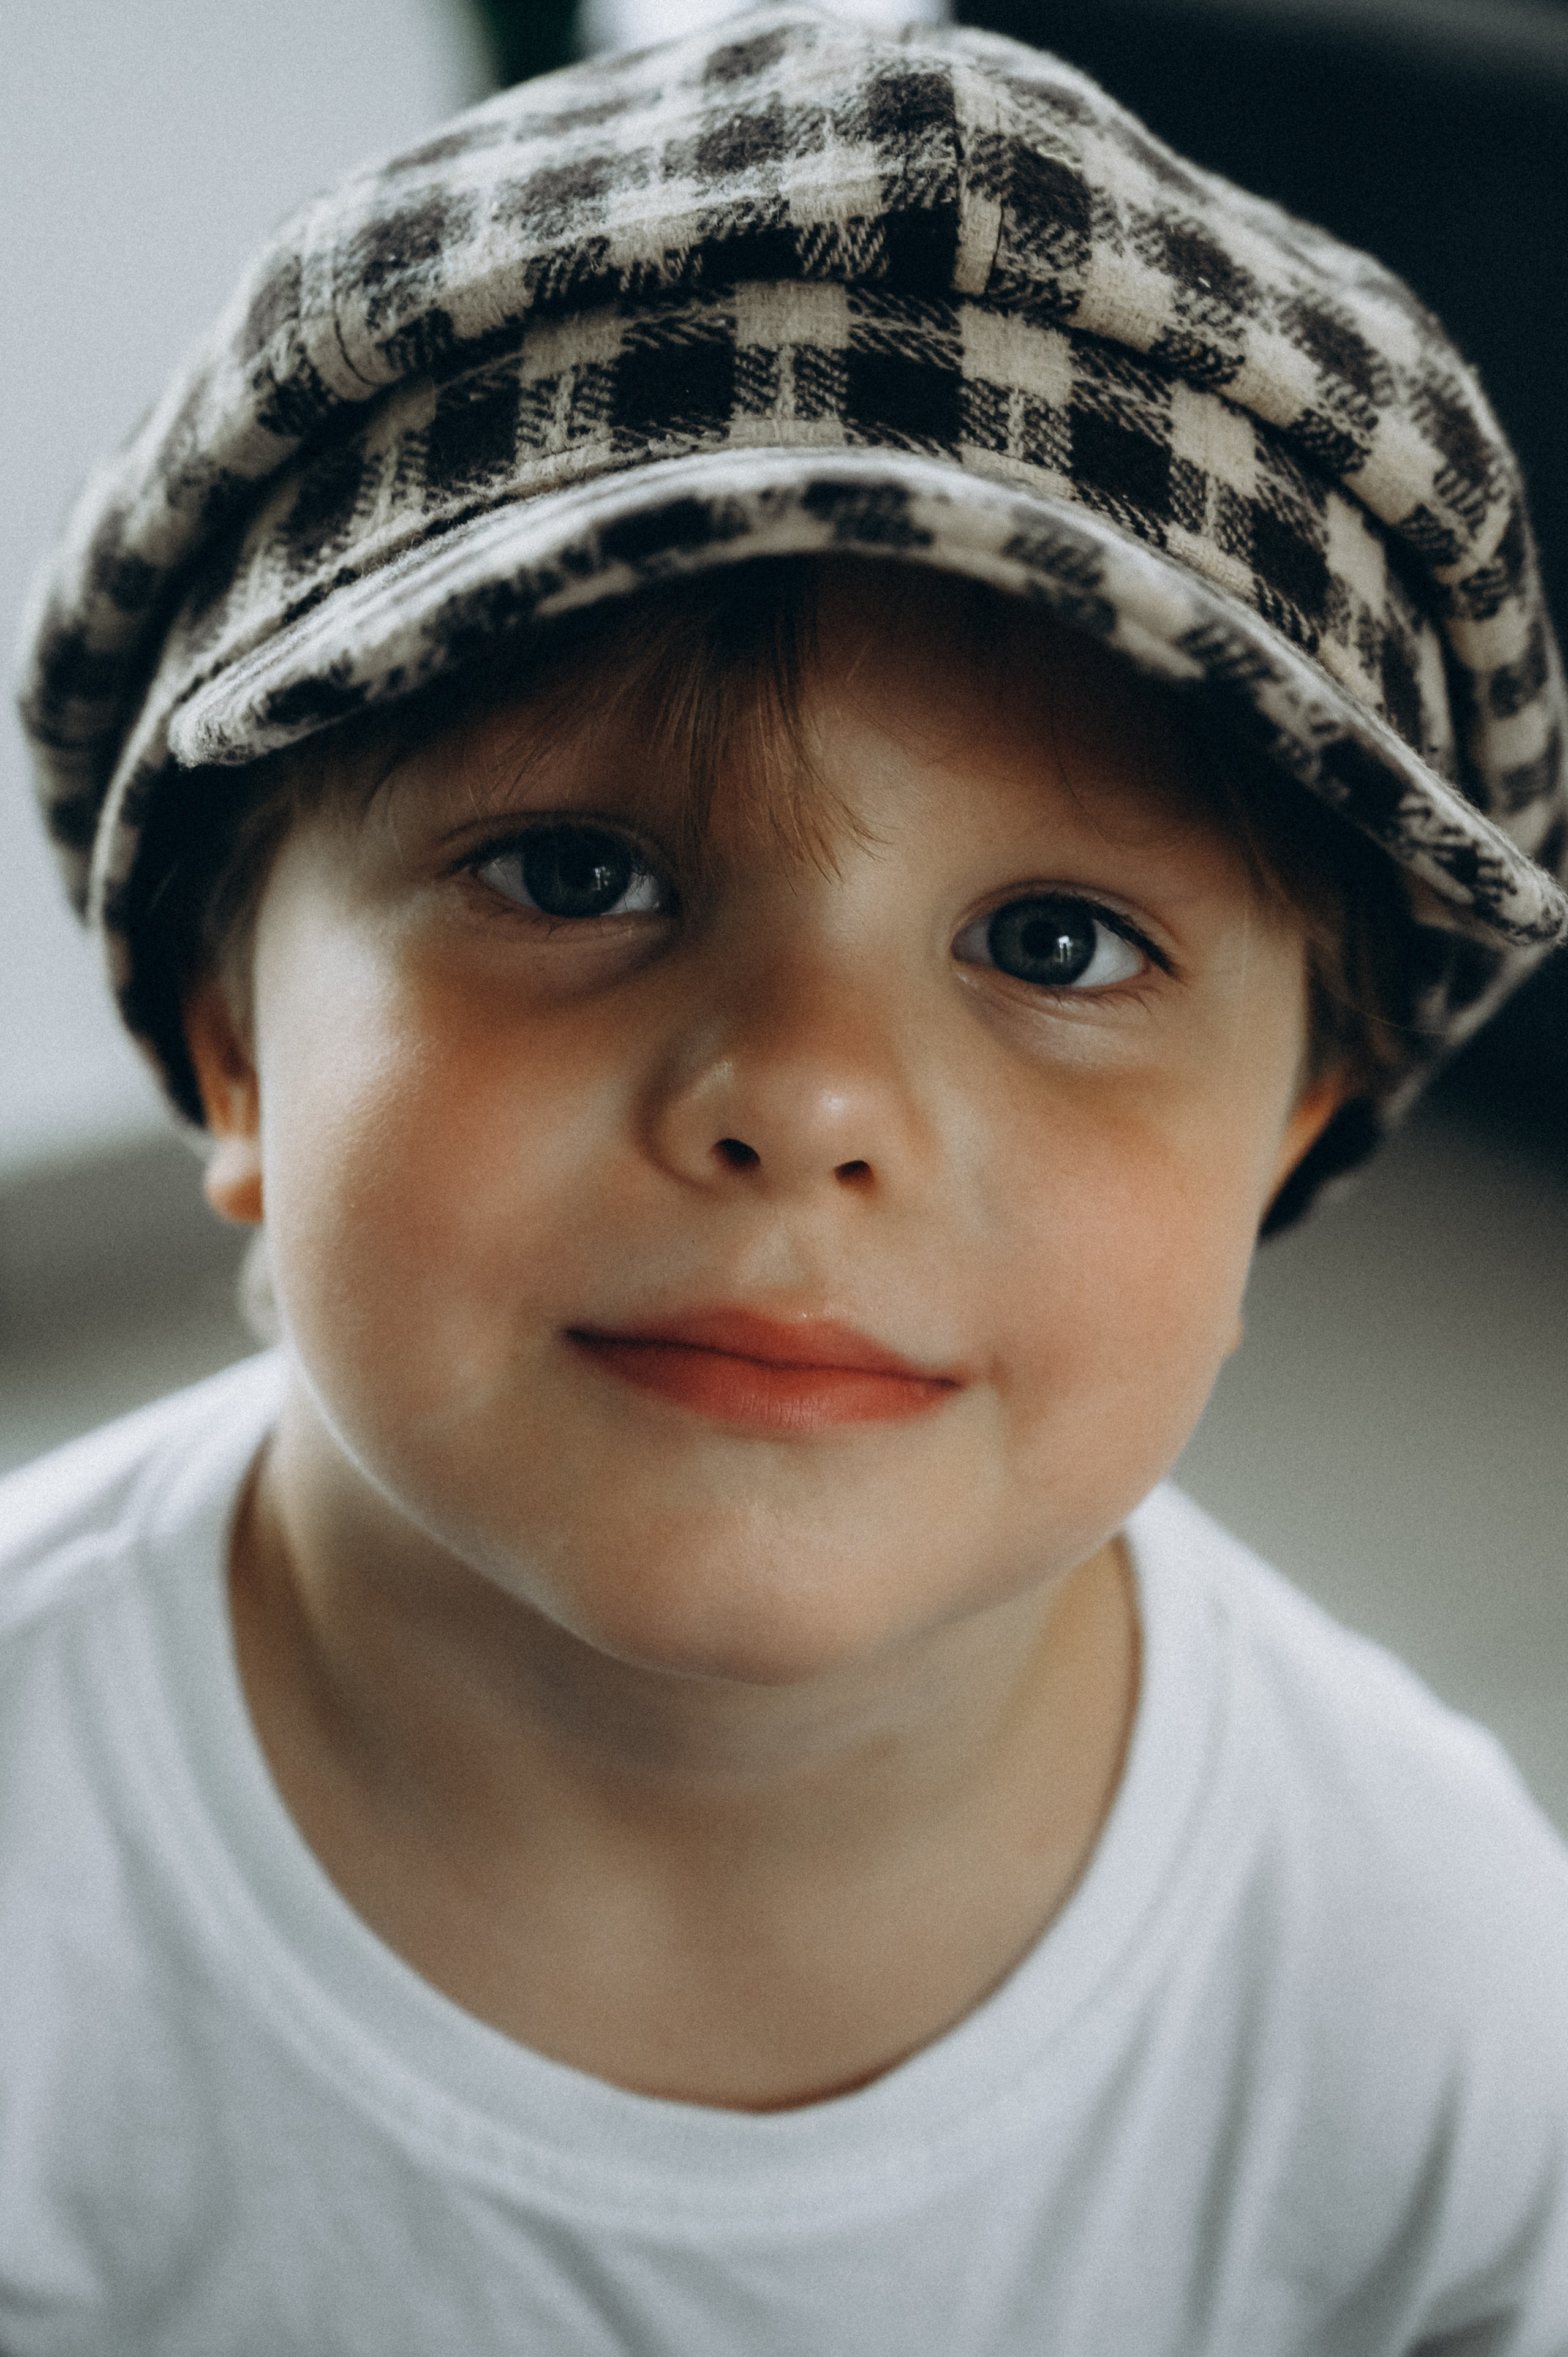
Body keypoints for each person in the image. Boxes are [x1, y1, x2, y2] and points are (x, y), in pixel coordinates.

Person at [8, 7, 1568, 2349]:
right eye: (572, 874)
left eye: (1058, 943)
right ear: (233, 1039)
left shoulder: (1420, 1969)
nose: (806, 1094)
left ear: (1293, 1140)